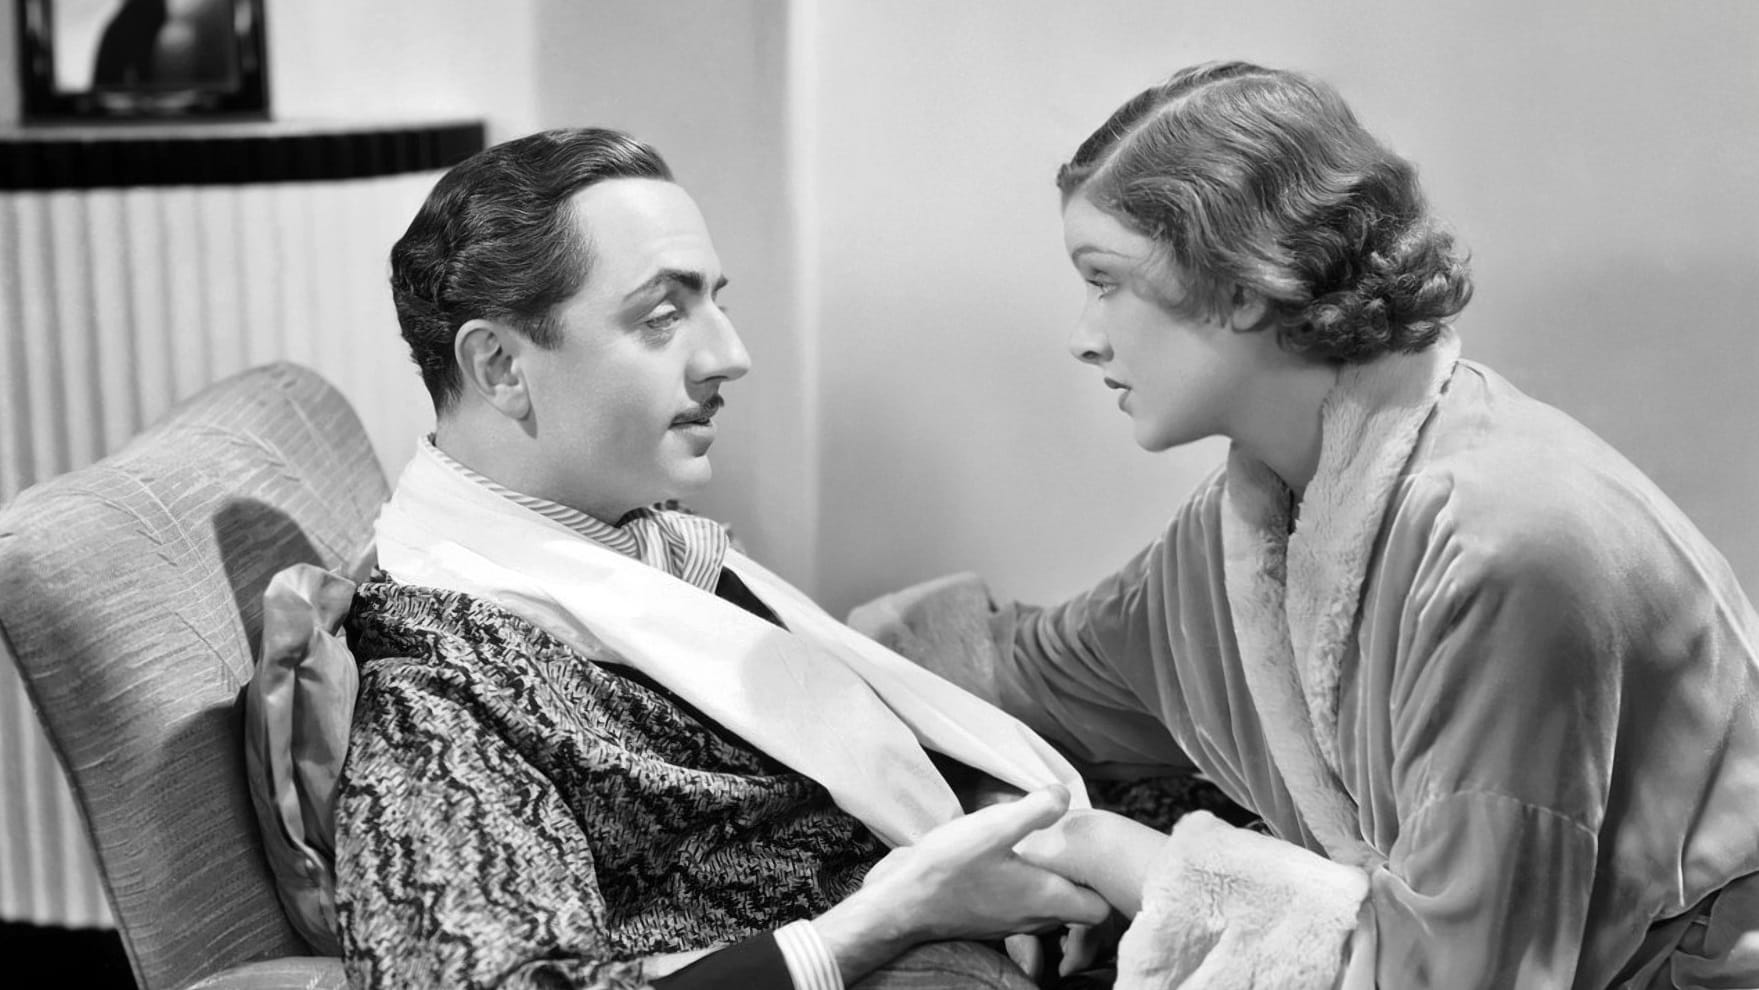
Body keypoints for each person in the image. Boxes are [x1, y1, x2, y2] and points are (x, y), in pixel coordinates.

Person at [853, 61, 1759, 988]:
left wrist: (1122, 859)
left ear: (1241, 281)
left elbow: (1460, 976)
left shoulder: (1505, 543)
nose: (1084, 336)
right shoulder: (1242, 532)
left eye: (1104, 280)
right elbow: (1019, 676)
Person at [334, 128, 1114, 990]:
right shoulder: (438, 676)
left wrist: (990, 813)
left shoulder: (643, 546)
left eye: (713, 303)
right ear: (499, 367)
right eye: (661, 318)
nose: (729, 357)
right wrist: (891, 919)